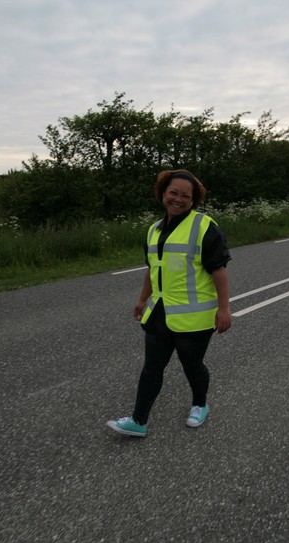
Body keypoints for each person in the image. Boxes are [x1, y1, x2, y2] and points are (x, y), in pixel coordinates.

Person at [107, 169, 231, 437]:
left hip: (193, 319)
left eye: (185, 195)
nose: (178, 199)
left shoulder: (204, 227)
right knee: (152, 368)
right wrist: (142, 300)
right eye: (173, 192)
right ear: (163, 193)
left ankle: (200, 405)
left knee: (192, 366)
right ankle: (138, 421)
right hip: (160, 313)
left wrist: (224, 309)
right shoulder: (154, 230)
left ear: (193, 199)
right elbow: (154, 269)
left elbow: (219, 271)